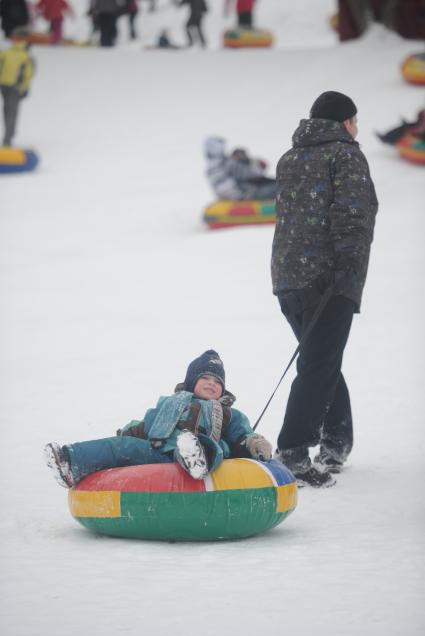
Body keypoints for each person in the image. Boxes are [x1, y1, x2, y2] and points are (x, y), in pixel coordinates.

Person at [271, 91, 378, 487]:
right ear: (345, 121)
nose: (357, 128)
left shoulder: (290, 157)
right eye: (355, 120)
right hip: (329, 276)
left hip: (287, 277)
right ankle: (295, 451)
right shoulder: (345, 154)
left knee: (321, 359)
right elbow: (353, 212)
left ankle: (336, 442)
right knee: (319, 363)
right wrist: (347, 267)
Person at [44, 350, 273, 487]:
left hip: (203, 452)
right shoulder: (170, 403)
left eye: (217, 381)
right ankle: (70, 462)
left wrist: (254, 443)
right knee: (121, 446)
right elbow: (147, 426)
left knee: (211, 445)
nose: (212, 384)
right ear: (192, 381)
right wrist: (127, 432)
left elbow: (242, 434)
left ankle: (195, 459)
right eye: (205, 378)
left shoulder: (227, 412)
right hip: (158, 453)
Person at [204, 136, 276, 201]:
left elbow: (252, 174)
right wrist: (241, 197)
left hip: (246, 193)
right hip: (248, 194)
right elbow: (252, 174)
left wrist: (248, 162)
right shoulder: (221, 164)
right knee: (280, 188)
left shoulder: (219, 163)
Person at [0, 41, 35, 147]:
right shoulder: (26, 57)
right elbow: (28, 74)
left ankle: (9, 134)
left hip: (3, 85)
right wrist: (25, 88)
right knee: (12, 111)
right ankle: (8, 137)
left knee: (6, 110)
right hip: (15, 87)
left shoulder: (6, 53)